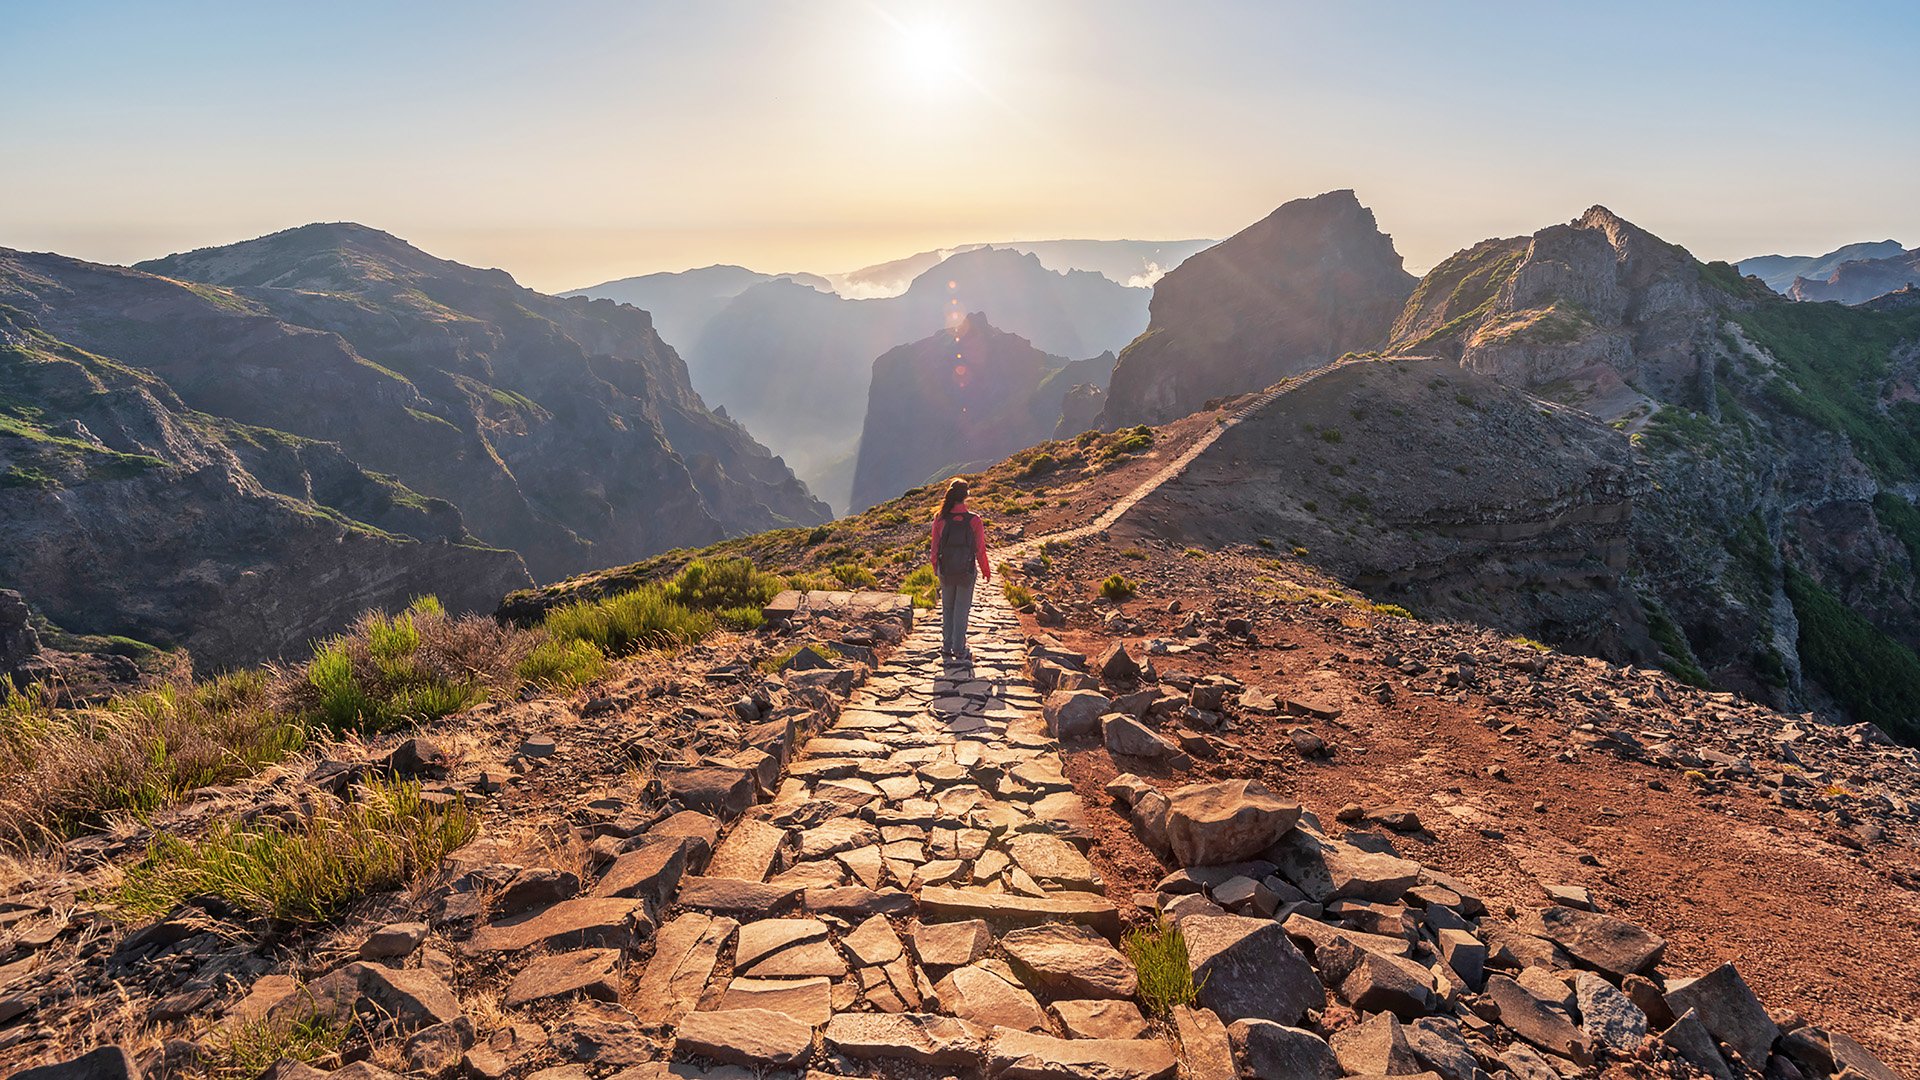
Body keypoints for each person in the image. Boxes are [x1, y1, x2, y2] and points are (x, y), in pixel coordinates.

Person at [930, 477, 991, 663]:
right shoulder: (974, 520)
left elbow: (934, 548)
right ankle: (960, 648)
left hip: (945, 570)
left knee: (947, 607)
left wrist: (936, 568)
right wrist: (986, 571)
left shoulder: (940, 519)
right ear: (966, 496)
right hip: (966, 571)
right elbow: (980, 550)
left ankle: (947, 646)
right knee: (962, 609)